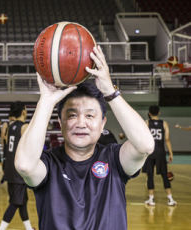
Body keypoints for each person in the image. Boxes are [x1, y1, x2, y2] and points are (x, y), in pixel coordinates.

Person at [14, 45, 155, 230]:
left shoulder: (114, 159)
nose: (81, 123)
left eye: (90, 116)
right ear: (60, 122)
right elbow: (24, 165)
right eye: (72, 115)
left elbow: (145, 145)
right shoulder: (49, 164)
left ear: (103, 123)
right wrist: (46, 102)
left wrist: (109, 92)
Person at [0, 101, 34, 230]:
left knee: (21, 200)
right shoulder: (24, 127)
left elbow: (6, 145)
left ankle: (29, 228)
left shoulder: (9, 126)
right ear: (23, 111)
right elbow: (30, 148)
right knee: (15, 202)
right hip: (19, 169)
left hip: (10, 167)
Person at [143, 105, 177, 206]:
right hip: (160, 152)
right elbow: (167, 139)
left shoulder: (147, 122)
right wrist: (171, 153)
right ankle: (170, 199)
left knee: (150, 175)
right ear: (159, 113)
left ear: (149, 113)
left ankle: (151, 199)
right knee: (164, 175)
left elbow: (143, 138)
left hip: (150, 152)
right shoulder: (164, 123)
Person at [0, 113, 16, 184]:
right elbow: (3, 136)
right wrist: (3, 145)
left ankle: (9, 176)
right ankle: (5, 175)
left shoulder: (17, 125)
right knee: (5, 163)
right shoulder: (6, 124)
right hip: (8, 147)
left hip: (15, 147)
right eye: (11, 117)